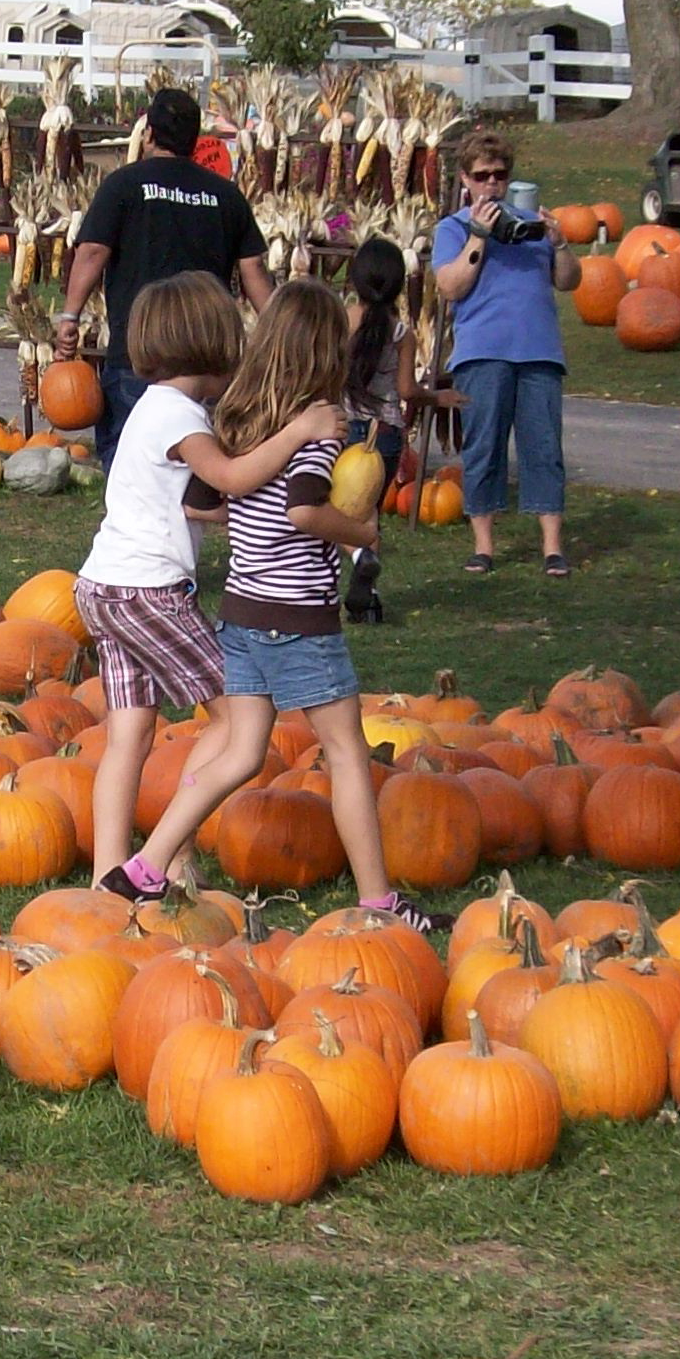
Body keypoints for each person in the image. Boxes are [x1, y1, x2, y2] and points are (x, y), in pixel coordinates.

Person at [104, 280, 439, 934]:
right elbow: (304, 509)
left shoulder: (240, 427)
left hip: (243, 613)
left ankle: (144, 865)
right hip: (300, 621)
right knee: (346, 751)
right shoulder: (313, 435)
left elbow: (213, 500)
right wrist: (361, 533)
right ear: (324, 357)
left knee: (242, 750)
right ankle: (378, 901)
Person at [71, 270, 343, 889]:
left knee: (130, 733)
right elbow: (230, 478)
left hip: (101, 587)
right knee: (233, 718)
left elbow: (198, 502)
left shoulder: (152, 409)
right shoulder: (179, 417)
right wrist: (299, 433)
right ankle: (170, 854)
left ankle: (108, 874)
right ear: (213, 343)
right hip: (147, 592)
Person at [52, 85, 271, 448]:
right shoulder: (225, 195)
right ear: (194, 140)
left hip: (139, 357)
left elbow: (91, 251)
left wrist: (71, 318)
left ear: (149, 133)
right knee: (200, 468)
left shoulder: (124, 184)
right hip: (206, 362)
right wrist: (280, 333)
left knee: (131, 460)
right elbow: (254, 273)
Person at [432, 130, 581, 577]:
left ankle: (552, 547)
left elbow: (569, 281)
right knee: (483, 447)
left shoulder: (531, 225)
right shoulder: (452, 228)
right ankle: (484, 546)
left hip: (538, 351)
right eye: (482, 176)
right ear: (466, 180)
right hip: (482, 351)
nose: (492, 184)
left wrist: (558, 242)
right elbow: (450, 286)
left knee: (544, 448)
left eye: (500, 175)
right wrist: (479, 236)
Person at [341, 236, 414, 625]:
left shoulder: (343, 321)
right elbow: (405, 390)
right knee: (368, 513)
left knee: (331, 511)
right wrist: (432, 395)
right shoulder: (402, 333)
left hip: (345, 429)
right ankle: (368, 601)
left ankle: (357, 557)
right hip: (386, 433)